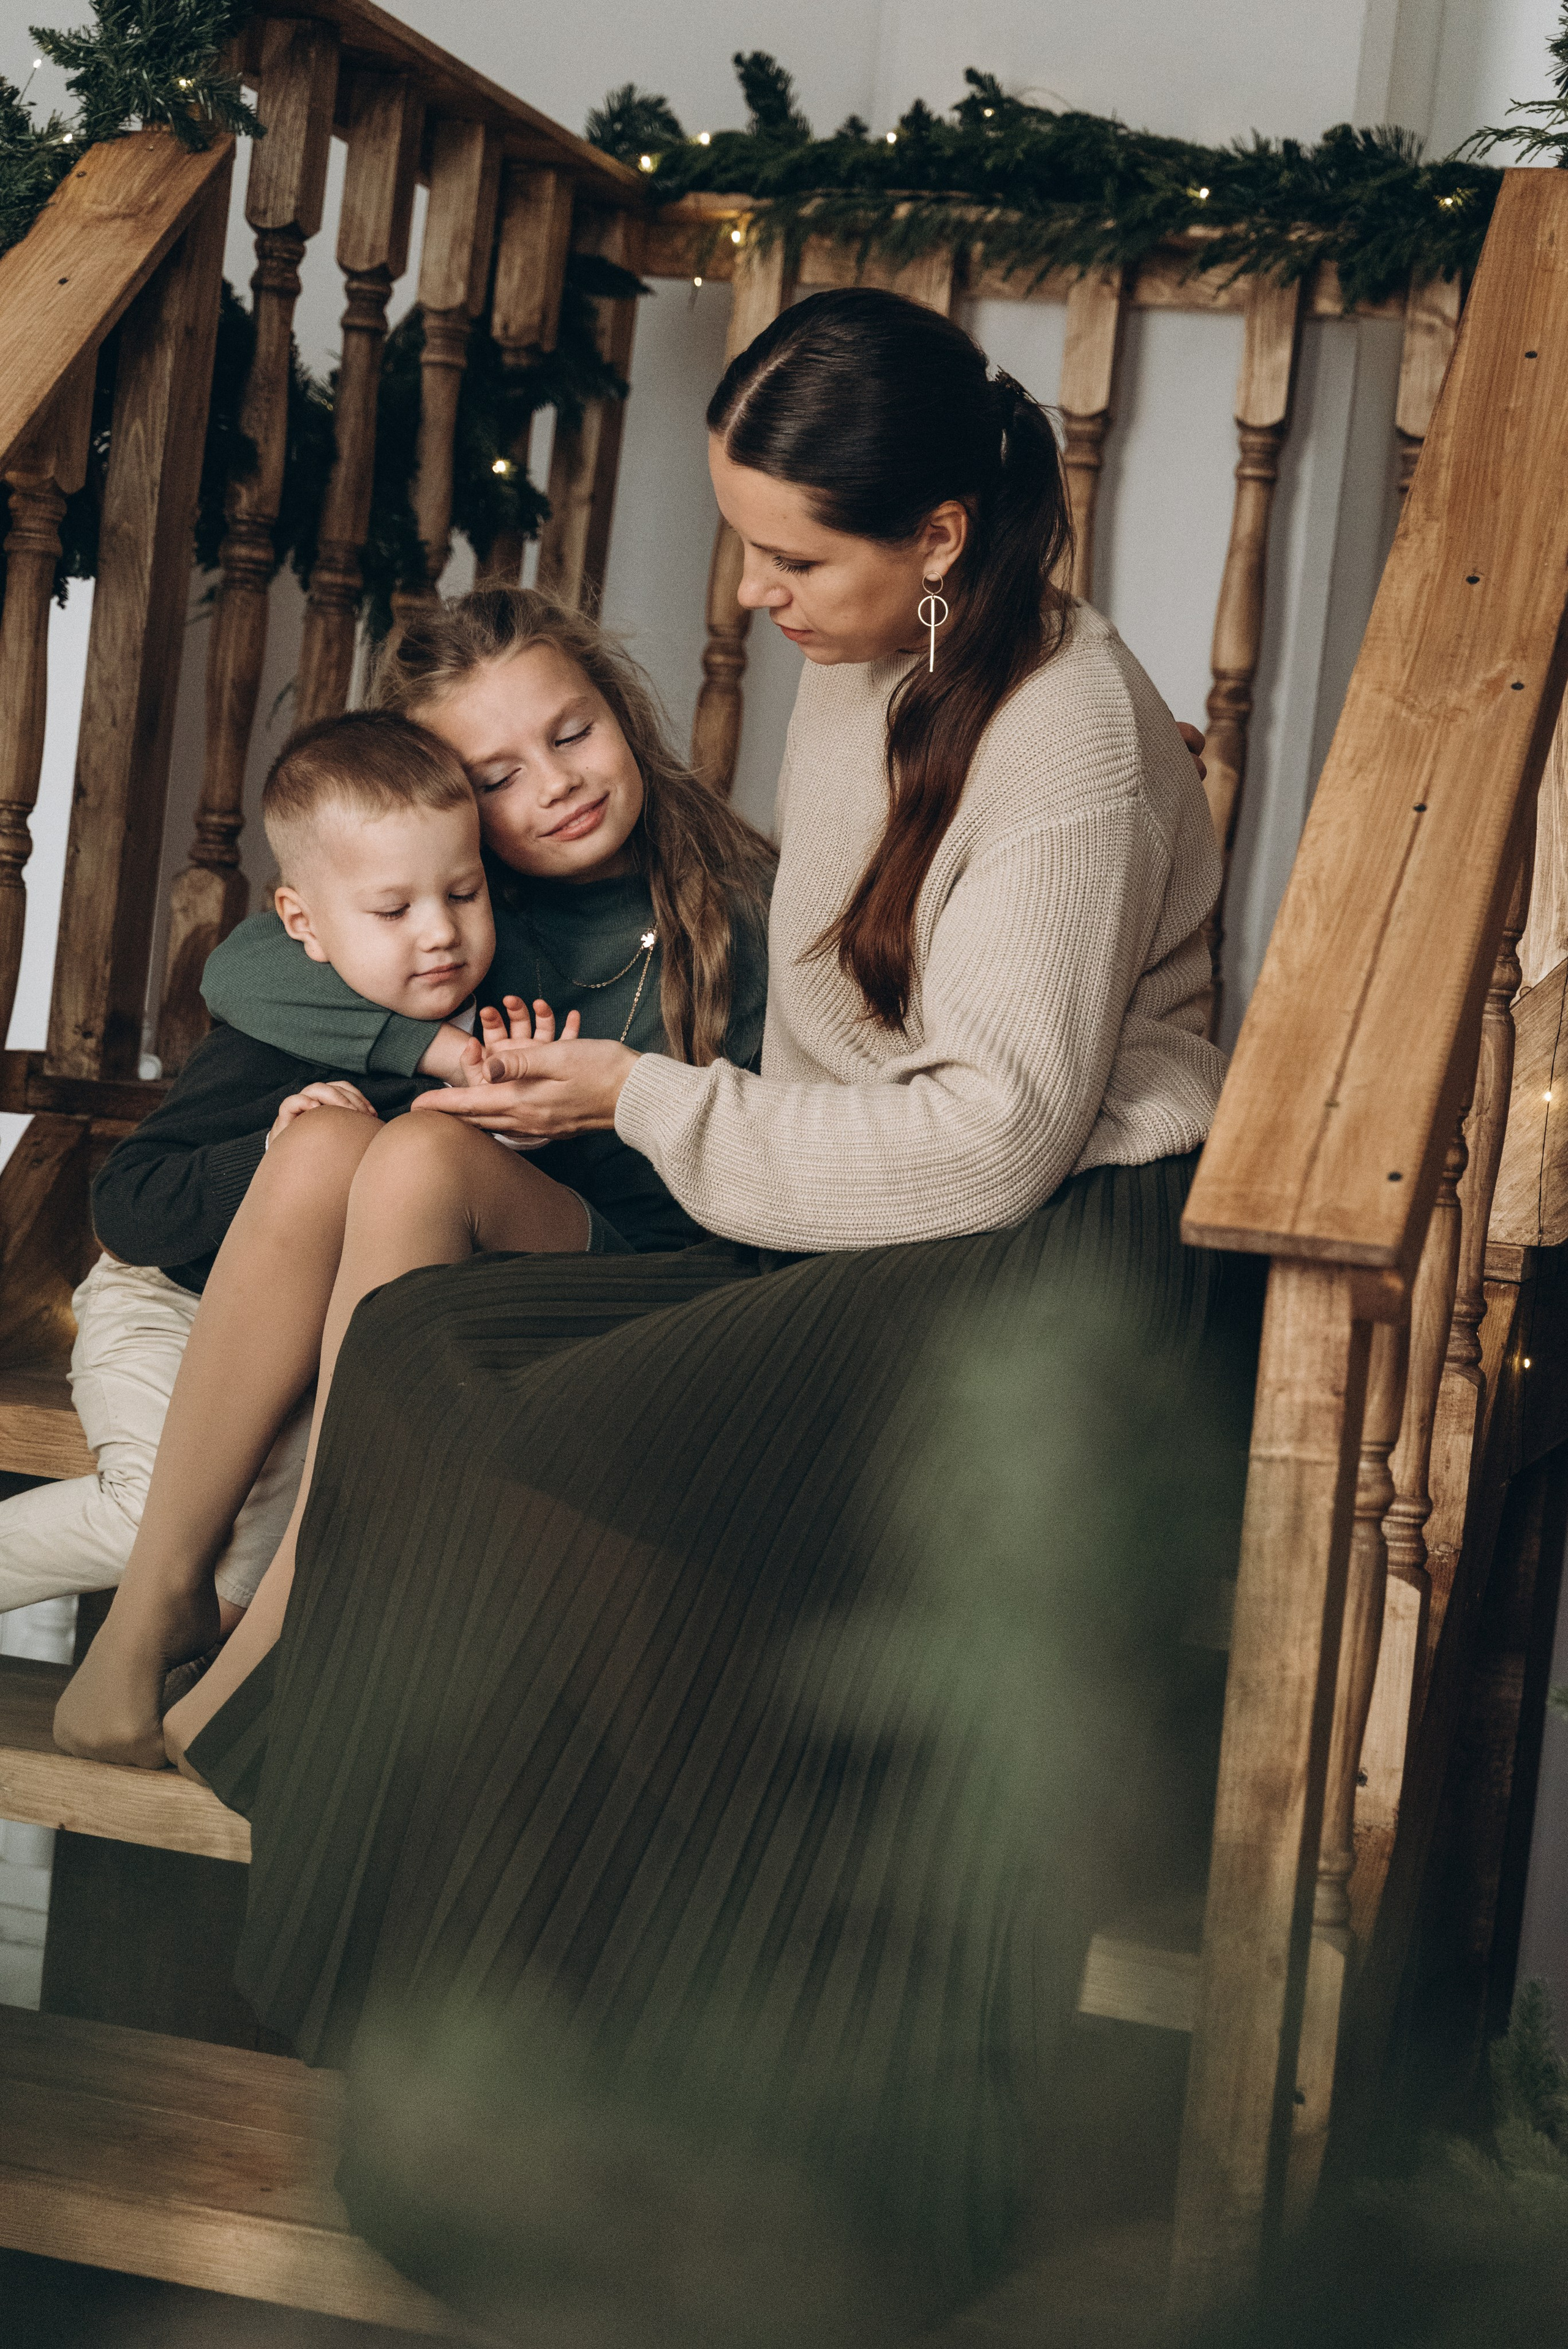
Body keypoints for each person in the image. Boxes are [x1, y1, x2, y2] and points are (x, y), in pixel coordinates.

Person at [173, 289, 1255, 2337]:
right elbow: (834, 1048)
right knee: (419, 1351)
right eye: (740, 541)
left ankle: (686, 2041)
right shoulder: (883, 654)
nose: (745, 601)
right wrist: (638, 1121)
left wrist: (640, 1101)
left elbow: (997, 1140)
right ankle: (522, 2028)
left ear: (939, 531)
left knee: (551, 1444)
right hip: (874, 1219)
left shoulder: (1072, 732)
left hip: (1050, 1254)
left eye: (791, 555)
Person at [53, 597, 773, 1769]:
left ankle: (289, 1620)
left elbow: (782, 1149)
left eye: (572, 734)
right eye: (495, 773)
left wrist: (612, 1099)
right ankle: (163, 1595)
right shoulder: (465, 904)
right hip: (479, 1257)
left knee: (425, 1151)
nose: (552, 785)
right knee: (330, 1142)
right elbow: (248, 964)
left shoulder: (740, 908)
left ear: (621, 716)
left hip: (662, 1279)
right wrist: (434, 1054)